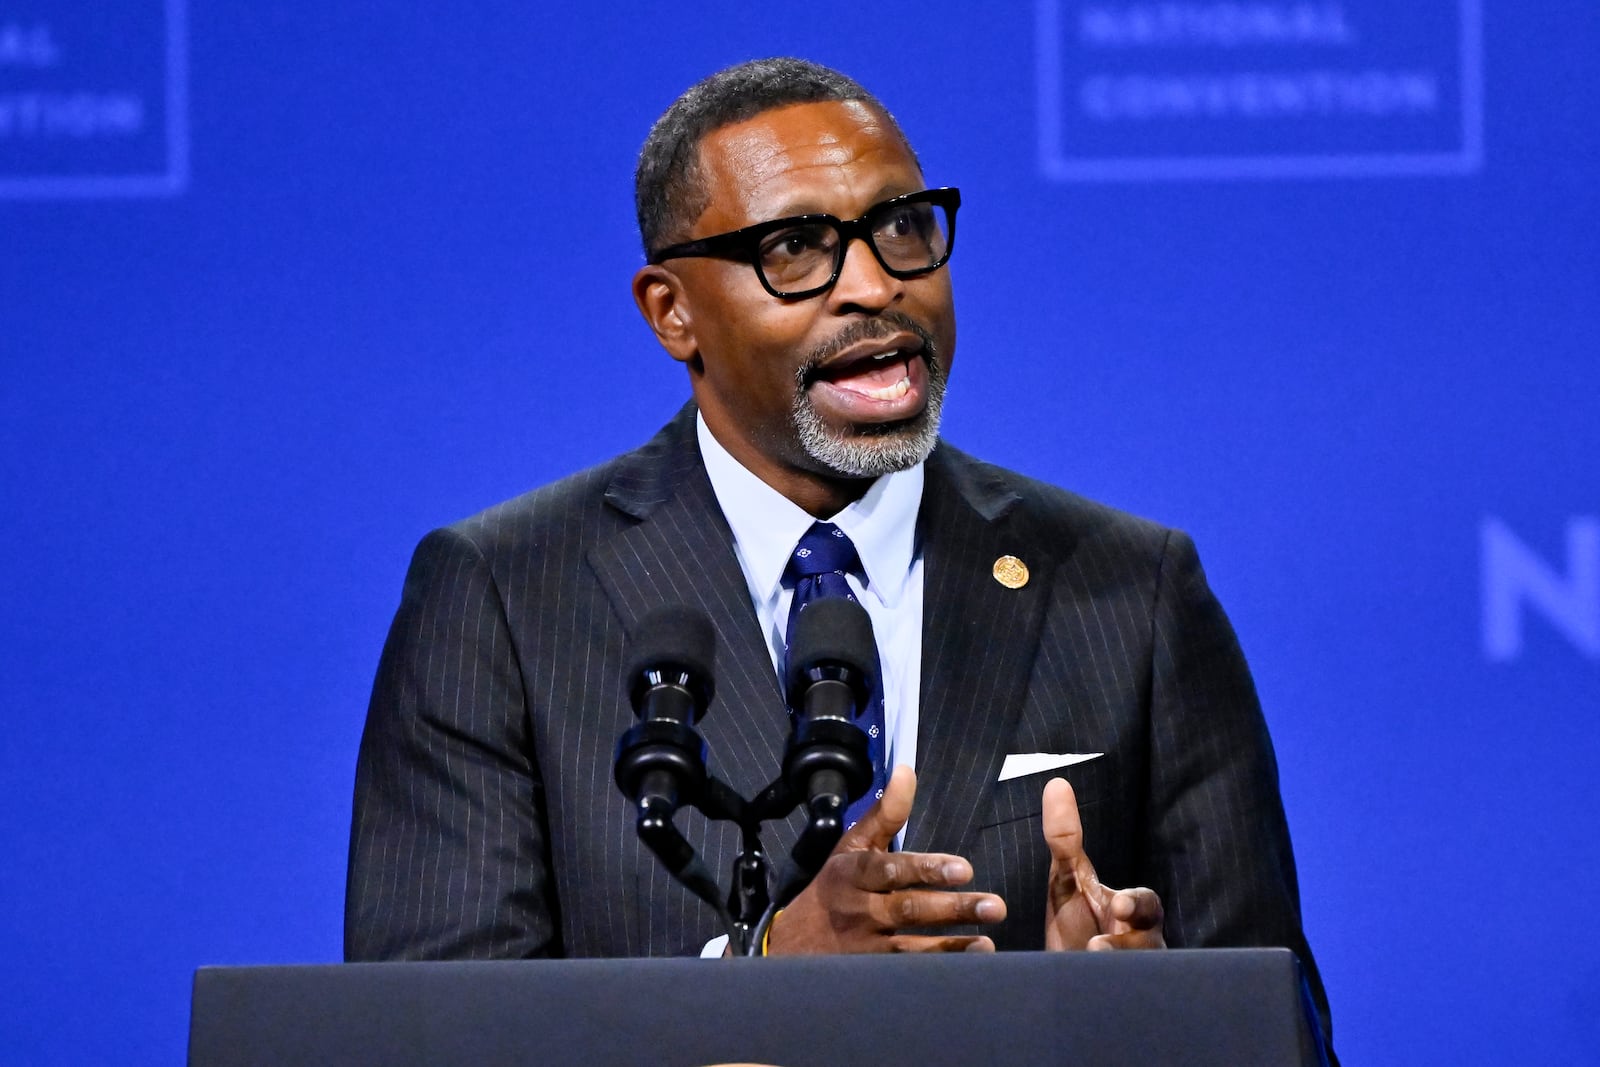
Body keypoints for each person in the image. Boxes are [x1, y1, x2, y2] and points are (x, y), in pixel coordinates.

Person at [345, 56, 1332, 1047]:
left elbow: (1281, 1032)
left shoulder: (1131, 588)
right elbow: (429, 1042)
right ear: (670, 311)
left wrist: (1150, 1019)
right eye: (796, 247)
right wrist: (765, 979)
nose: (874, 283)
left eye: (903, 225)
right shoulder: (503, 598)